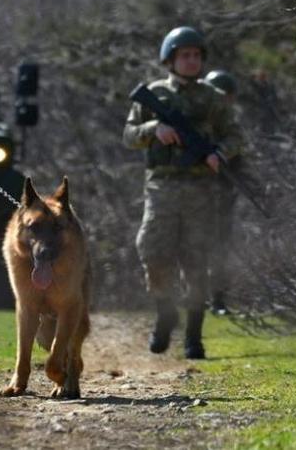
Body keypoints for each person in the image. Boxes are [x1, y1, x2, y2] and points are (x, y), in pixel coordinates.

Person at [122, 27, 242, 359]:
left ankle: (193, 336)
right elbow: (129, 135)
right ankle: (165, 312)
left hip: (201, 188)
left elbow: (235, 135)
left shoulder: (213, 98)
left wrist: (220, 154)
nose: (191, 61)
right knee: (153, 251)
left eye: (196, 55)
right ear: (171, 59)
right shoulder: (154, 94)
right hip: (161, 185)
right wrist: (153, 130)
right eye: (184, 55)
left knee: (196, 261)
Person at [202, 69, 239, 316]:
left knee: (220, 248)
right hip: (194, 193)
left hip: (223, 194)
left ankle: (218, 298)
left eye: (227, 96)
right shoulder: (198, 123)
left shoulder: (230, 127)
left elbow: (238, 151)